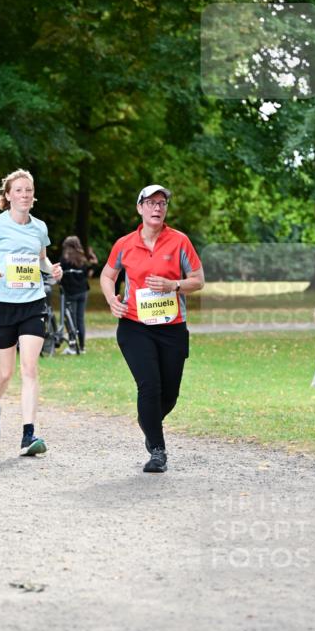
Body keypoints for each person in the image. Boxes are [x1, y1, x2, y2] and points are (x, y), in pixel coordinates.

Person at [100, 184, 204, 474]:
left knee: (169, 394)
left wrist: (175, 285)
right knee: (149, 386)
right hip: (134, 326)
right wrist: (111, 299)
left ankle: (148, 420)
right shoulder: (124, 244)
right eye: (151, 202)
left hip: (172, 328)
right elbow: (108, 275)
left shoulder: (180, 241)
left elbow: (198, 279)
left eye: (162, 203)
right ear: (140, 208)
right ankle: (158, 451)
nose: (157, 208)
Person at [0, 168, 63, 456]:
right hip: (2, 305)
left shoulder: (40, 228)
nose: (25, 194)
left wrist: (52, 269)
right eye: (19, 190)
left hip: (33, 303)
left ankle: (28, 434)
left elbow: (42, 260)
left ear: (33, 196)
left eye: (29, 190)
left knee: (30, 369)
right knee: (5, 371)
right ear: (8, 195)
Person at [59, 235, 91, 354]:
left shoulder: (65, 259)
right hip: (83, 292)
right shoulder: (82, 259)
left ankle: (72, 346)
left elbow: (61, 277)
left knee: (70, 319)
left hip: (71, 293)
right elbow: (86, 274)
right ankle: (82, 347)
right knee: (80, 320)